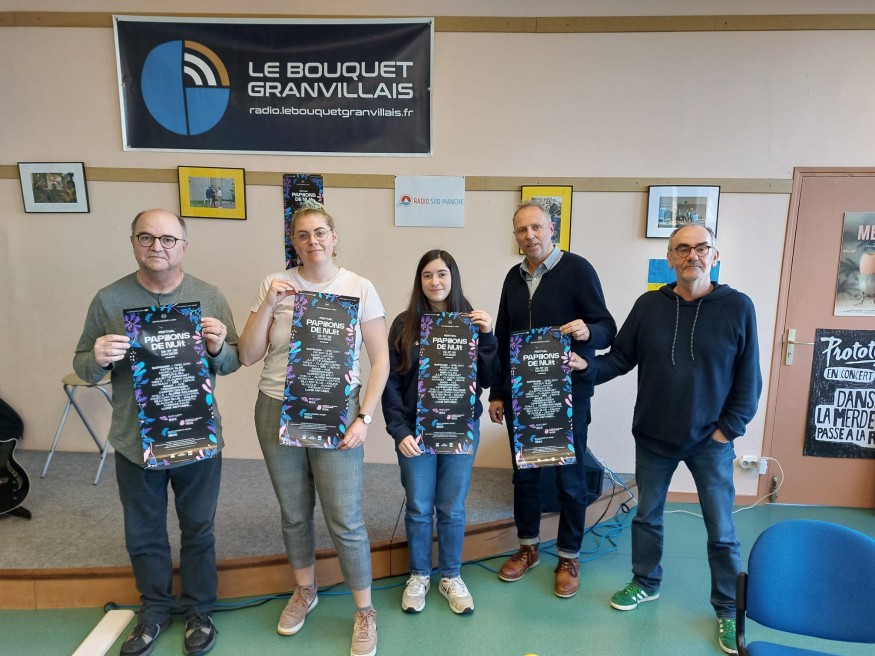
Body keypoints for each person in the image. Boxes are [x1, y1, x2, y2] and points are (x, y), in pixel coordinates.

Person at [579, 224, 762, 655]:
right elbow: (620, 358)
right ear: (670, 258)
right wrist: (584, 367)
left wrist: (727, 431)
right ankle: (645, 582)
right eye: (682, 249)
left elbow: (749, 379)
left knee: (722, 530)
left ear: (714, 256)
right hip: (654, 437)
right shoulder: (649, 306)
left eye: (701, 248)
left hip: (711, 442)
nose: (691, 255)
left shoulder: (738, 307)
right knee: (647, 517)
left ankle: (727, 608)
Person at [73, 209, 240, 656]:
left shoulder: (209, 296)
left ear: (184, 245)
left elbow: (232, 361)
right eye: (146, 237)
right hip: (137, 441)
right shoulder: (109, 299)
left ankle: (200, 609)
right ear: (133, 243)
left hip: (197, 436)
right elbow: (83, 367)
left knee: (198, 528)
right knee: (143, 532)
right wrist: (98, 358)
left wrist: (218, 346)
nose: (157, 247)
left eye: (168, 239)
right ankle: (155, 610)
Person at [238, 203, 389, 656]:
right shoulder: (274, 283)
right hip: (276, 407)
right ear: (294, 242)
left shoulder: (359, 287)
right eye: (302, 235)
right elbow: (247, 355)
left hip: (337, 411)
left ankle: (364, 610)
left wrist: (364, 417)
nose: (312, 241)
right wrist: (269, 304)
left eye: (320, 232)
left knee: (345, 517)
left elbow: (380, 361)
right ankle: (305, 589)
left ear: (334, 237)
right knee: (294, 512)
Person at [488, 200, 616, 599]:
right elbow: (504, 337)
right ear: (515, 236)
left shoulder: (578, 269)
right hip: (523, 394)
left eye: (536, 228)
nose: (529, 236)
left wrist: (588, 333)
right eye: (522, 230)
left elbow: (607, 327)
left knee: (570, 479)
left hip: (567, 394)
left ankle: (568, 556)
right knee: (525, 476)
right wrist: (497, 392)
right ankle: (528, 548)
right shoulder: (512, 278)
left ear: (551, 230)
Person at [382, 250, 499, 616]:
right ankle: (419, 575)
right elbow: (390, 382)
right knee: (419, 506)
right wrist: (398, 430)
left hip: (460, 429)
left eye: (442, 274)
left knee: (452, 507)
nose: (435, 282)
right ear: (419, 281)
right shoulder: (404, 324)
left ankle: (450, 575)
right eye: (428, 275)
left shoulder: (471, 321)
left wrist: (488, 336)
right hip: (415, 433)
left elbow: (488, 379)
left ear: (453, 278)